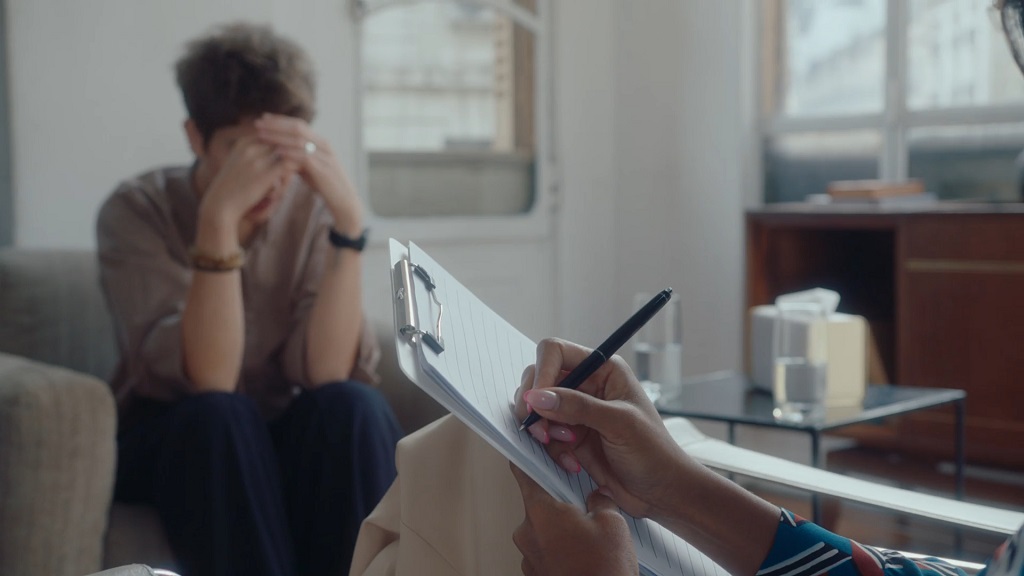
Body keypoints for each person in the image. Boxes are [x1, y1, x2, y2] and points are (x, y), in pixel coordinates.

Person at [97, 22, 402, 576]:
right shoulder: (137, 209)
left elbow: (327, 371)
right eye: (242, 151)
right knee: (221, 416)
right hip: (175, 433)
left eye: (282, 151)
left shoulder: (309, 209)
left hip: (276, 426)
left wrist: (348, 227)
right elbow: (211, 377)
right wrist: (218, 220)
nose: (269, 178)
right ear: (195, 137)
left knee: (353, 407)